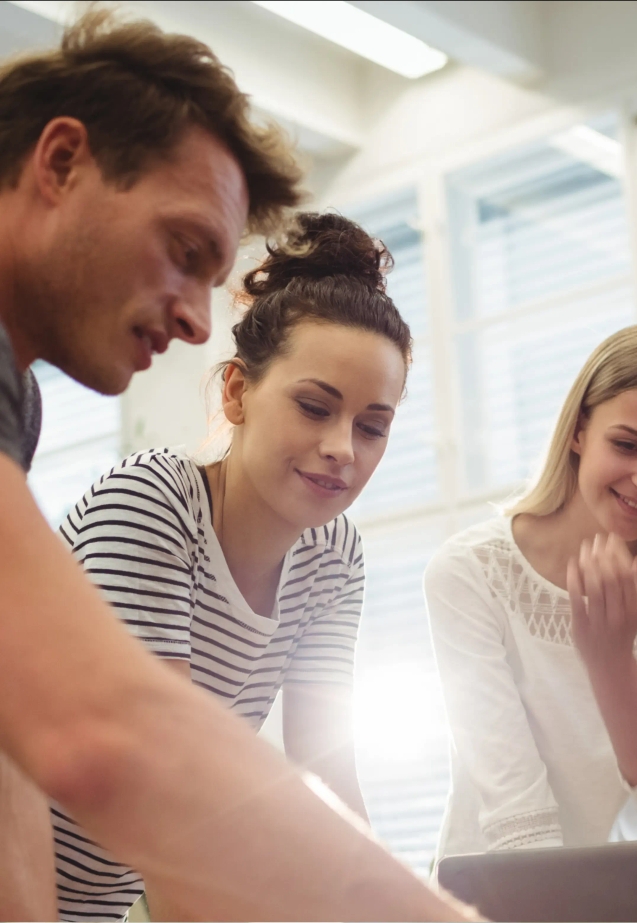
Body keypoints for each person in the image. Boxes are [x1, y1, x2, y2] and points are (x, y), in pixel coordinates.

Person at [0, 10, 471, 921]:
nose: (192, 318)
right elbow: (118, 743)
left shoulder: (15, 399)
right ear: (60, 163)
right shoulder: (154, 498)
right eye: (183, 252)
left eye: (372, 424)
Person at [52, 211, 411, 921]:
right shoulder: (155, 502)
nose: (344, 447)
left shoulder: (333, 558)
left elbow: (329, 777)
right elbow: (165, 781)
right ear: (237, 392)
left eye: (373, 426)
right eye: (315, 407)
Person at [425, 323, 637, 860]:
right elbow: (516, 816)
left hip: (625, 900)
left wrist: (613, 665)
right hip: (498, 895)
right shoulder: (471, 573)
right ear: (578, 430)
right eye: (627, 445)